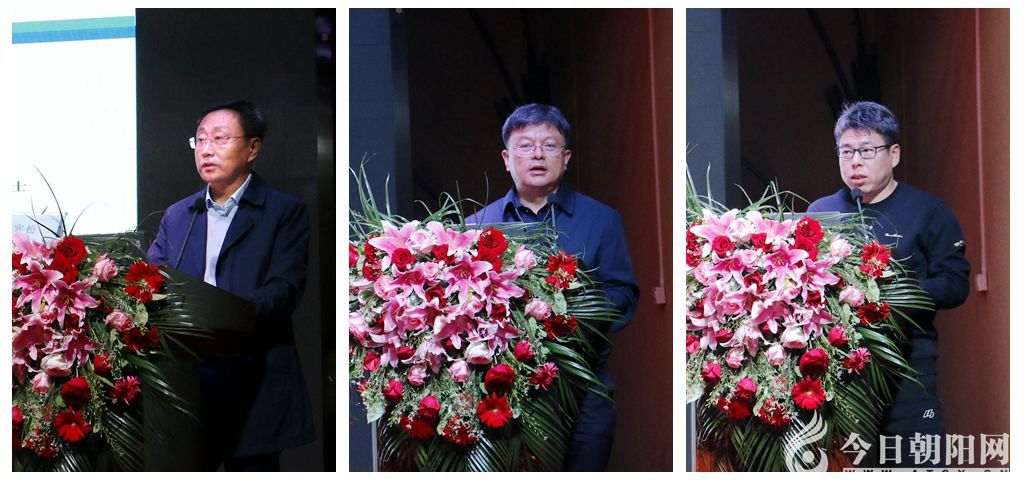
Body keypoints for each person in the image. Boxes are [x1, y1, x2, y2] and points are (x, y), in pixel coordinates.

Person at [467, 103, 639, 471]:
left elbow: (623, 296)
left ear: (566, 157)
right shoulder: (476, 226)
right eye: (525, 146)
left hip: (582, 392)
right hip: (501, 393)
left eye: (549, 145)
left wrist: (566, 312)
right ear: (506, 159)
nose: (537, 155)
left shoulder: (601, 219)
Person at [148, 100, 314, 471]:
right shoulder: (179, 215)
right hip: (188, 386)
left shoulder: (283, 211)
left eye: (220, 139)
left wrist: (220, 314)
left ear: (253, 148)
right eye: (201, 140)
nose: (206, 150)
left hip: (254, 384)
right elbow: (151, 281)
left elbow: (284, 289)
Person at [807, 101, 970, 467]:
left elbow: (955, 284)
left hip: (909, 374)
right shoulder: (820, 214)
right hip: (841, 379)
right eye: (846, 152)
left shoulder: (928, 211)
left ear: (893, 154)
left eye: (867, 151)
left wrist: (892, 295)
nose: (855, 162)